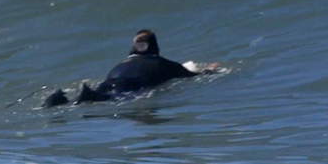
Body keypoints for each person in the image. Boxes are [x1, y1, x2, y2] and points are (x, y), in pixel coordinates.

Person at [43, 30, 213, 106]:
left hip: (110, 80)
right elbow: (193, 76)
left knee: (102, 93)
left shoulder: (124, 62)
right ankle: (89, 96)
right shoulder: (162, 63)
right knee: (112, 98)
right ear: (155, 46)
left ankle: (60, 100)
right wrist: (210, 69)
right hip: (132, 84)